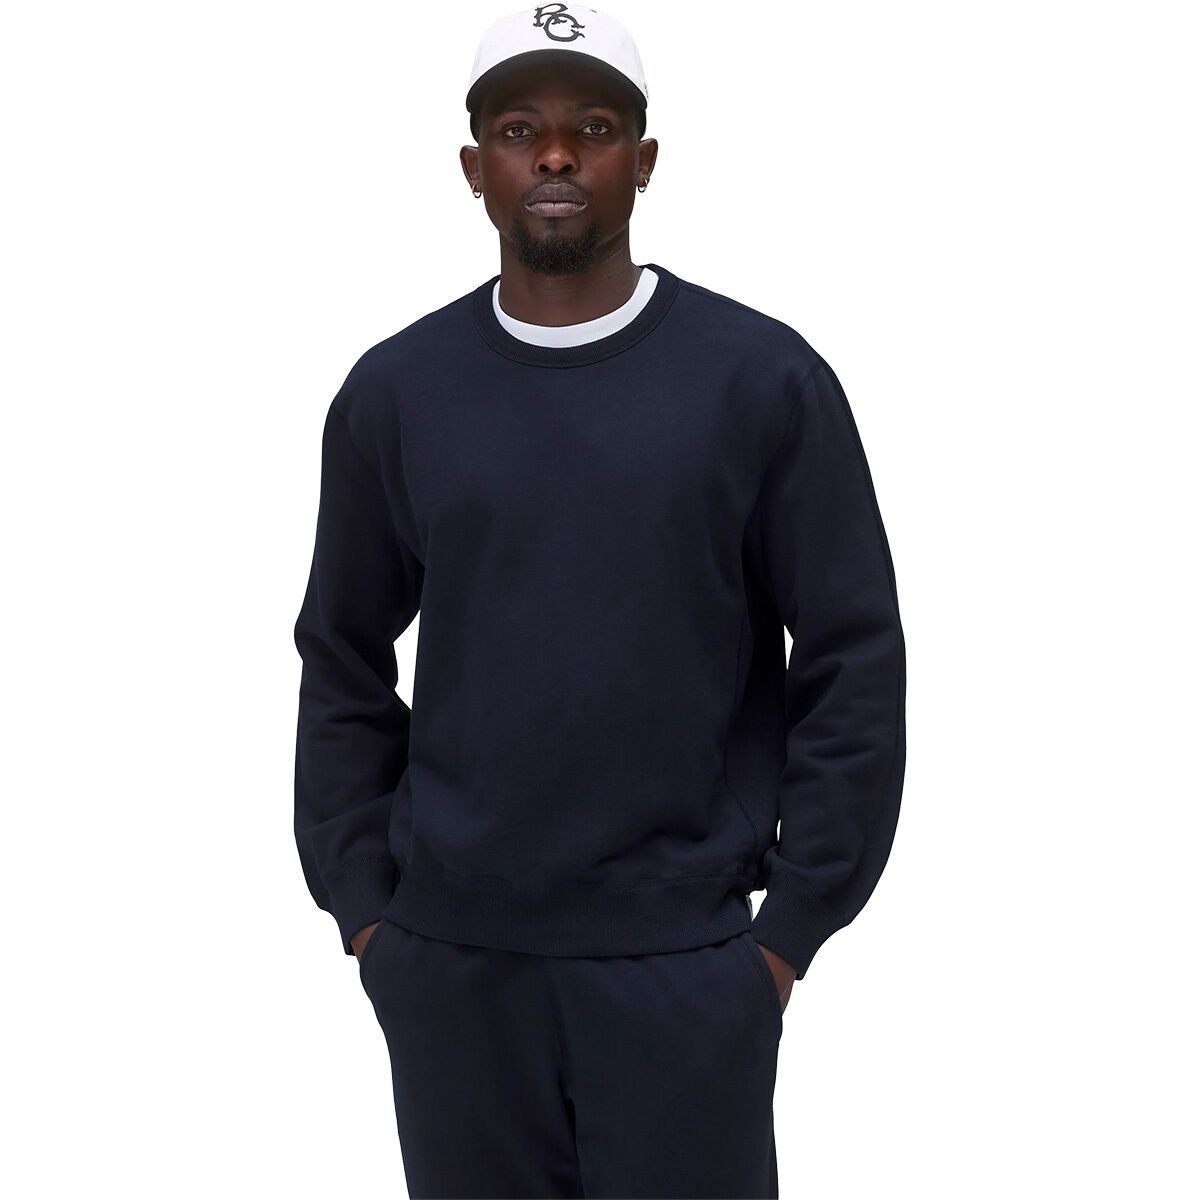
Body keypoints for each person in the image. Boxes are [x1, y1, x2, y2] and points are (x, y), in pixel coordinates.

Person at [292, 6, 906, 1197]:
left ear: (645, 160)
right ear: (474, 167)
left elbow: (853, 656)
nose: (559, 155)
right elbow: (342, 654)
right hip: (454, 967)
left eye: (597, 127)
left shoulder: (762, 379)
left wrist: (788, 934)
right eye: (521, 130)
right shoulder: (398, 391)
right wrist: (367, 912)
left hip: (687, 963)